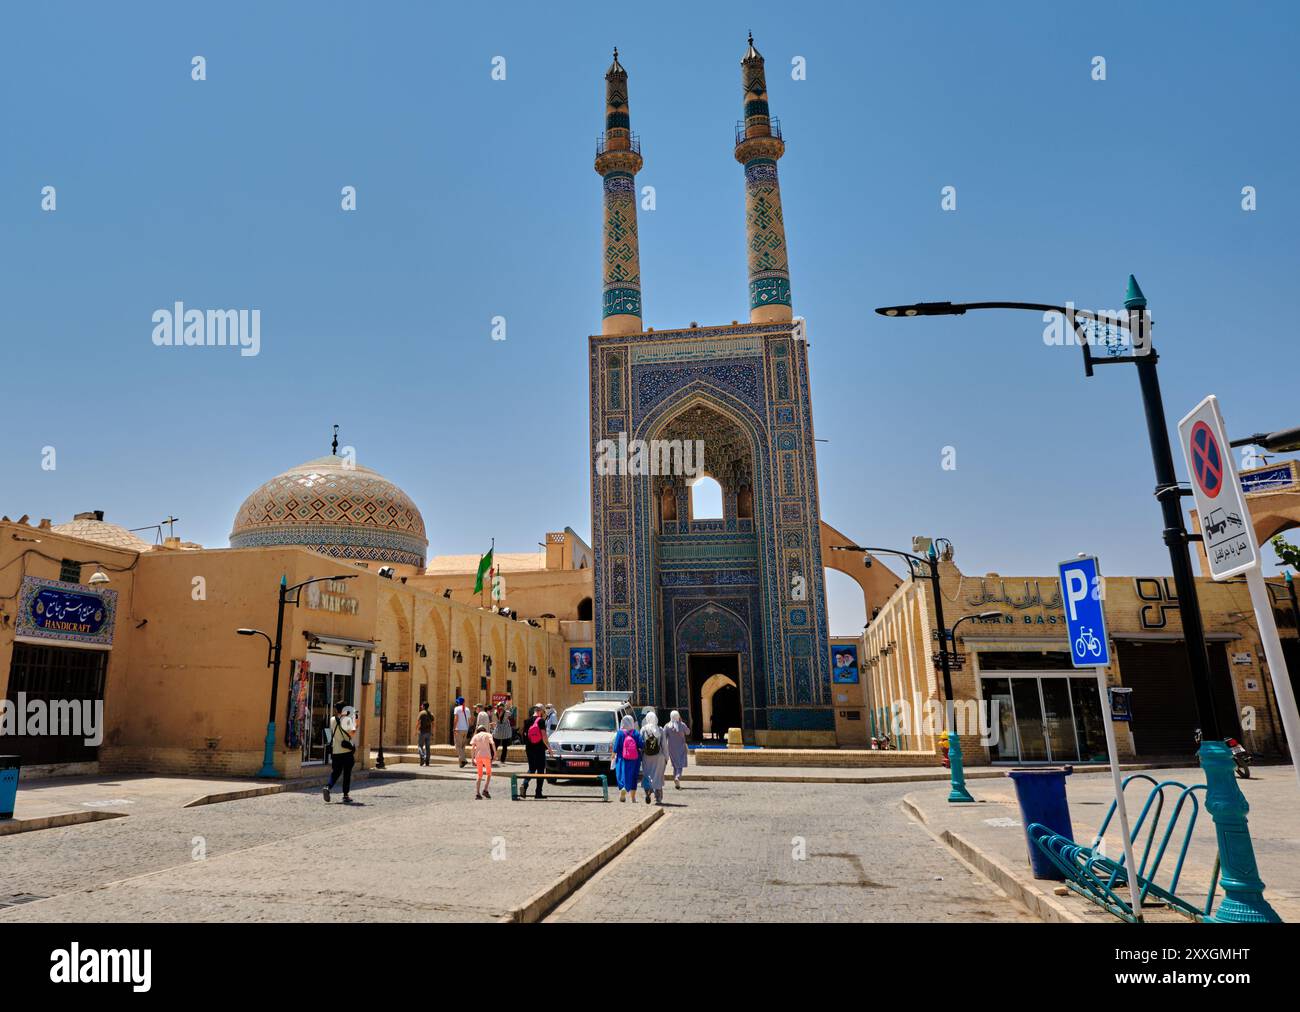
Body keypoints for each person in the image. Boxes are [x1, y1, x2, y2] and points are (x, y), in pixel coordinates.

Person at [323, 701, 356, 803]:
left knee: (335, 772)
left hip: (336, 751)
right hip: (346, 751)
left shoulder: (332, 719)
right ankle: (345, 795)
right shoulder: (347, 720)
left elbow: (330, 732)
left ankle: (328, 787)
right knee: (347, 774)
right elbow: (352, 734)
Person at [517, 704, 551, 800]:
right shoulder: (541, 721)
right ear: (540, 711)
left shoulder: (527, 721)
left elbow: (524, 735)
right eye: (543, 712)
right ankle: (538, 793)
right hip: (539, 748)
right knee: (540, 770)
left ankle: (524, 784)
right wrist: (549, 748)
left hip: (529, 748)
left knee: (532, 768)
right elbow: (544, 736)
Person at [611, 713, 643, 803]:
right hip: (635, 760)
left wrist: (613, 756)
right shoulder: (636, 733)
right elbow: (641, 744)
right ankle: (633, 798)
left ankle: (623, 788)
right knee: (633, 777)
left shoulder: (620, 733)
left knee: (621, 775)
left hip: (622, 759)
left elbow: (616, 747)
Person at [639, 710, 667, 805]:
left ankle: (648, 791)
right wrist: (666, 758)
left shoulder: (643, 729)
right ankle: (658, 798)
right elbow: (664, 745)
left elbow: (641, 744)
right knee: (657, 776)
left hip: (647, 756)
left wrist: (641, 756)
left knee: (648, 775)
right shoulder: (660, 729)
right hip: (659, 757)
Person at [663, 709, 691, 789]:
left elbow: (664, 736)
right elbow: (688, 732)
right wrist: (681, 723)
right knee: (680, 764)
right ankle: (677, 777)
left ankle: (676, 780)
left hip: (671, 748)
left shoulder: (667, 726)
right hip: (681, 748)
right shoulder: (682, 725)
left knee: (675, 764)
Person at [471, 720, 497, 800]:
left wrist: (472, 759)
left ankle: (477, 793)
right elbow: (492, 743)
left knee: (479, 775)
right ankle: (485, 789)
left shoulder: (475, 736)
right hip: (486, 756)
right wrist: (495, 754)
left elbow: (472, 748)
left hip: (478, 757)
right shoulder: (488, 734)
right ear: (484, 730)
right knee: (488, 773)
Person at [452, 696, 473, 767]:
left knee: (457, 746)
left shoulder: (456, 709)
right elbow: (470, 721)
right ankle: (461, 763)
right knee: (462, 747)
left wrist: (454, 728)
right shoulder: (467, 709)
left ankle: (464, 760)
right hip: (465, 730)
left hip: (458, 729)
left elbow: (456, 719)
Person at [415, 701, 434, 766]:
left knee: (420, 746)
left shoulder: (421, 713)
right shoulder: (431, 714)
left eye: (422, 705)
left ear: (423, 706)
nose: (421, 706)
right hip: (428, 732)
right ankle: (427, 760)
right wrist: (432, 732)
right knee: (427, 747)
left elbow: (418, 722)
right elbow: (433, 723)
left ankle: (423, 757)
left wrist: (416, 730)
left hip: (422, 732)